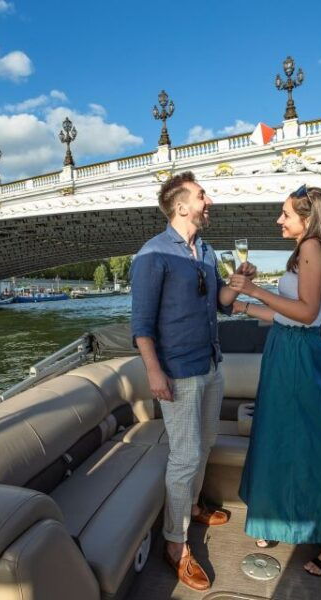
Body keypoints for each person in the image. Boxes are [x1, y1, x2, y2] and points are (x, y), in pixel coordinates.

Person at [130, 171, 256, 591]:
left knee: (204, 445)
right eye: (203, 196)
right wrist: (154, 372)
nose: (209, 201)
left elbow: (221, 302)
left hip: (211, 366)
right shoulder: (152, 255)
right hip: (178, 372)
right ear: (181, 206)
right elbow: (142, 325)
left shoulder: (204, 251)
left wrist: (240, 283)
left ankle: (195, 506)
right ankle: (175, 544)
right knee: (184, 457)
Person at [229, 184, 321, 577]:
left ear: (308, 217)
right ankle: (275, 519)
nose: (279, 220)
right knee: (278, 435)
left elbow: (305, 313)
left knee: (306, 442)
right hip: (285, 347)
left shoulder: (312, 247)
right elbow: (287, 316)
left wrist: (254, 290)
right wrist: (244, 305)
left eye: (285, 214)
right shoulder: (305, 250)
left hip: (297, 353)